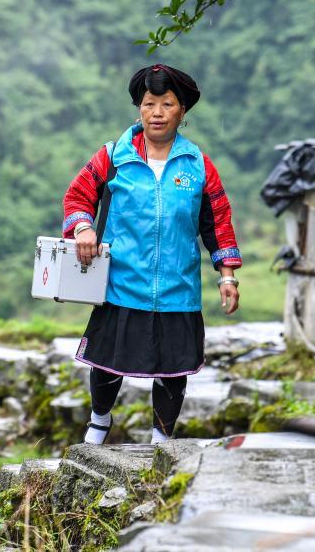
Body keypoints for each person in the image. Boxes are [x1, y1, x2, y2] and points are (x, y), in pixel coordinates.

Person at [62, 63, 242, 445]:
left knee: (173, 368)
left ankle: (161, 440)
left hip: (178, 288)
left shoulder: (198, 166)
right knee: (109, 360)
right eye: (148, 104)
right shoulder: (114, 157)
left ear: (182, 111)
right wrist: (83, 227)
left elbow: (218, 221)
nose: (156, 112)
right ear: (139, 109)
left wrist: (227, 275)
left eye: (167, 104)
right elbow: (78, 196)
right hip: (122, 282)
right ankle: (99, 424)